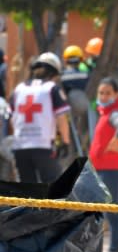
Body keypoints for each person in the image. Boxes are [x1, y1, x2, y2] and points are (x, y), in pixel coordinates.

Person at [9, 52, 71, 183]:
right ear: (54, 73)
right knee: (52, 188)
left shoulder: (18, 89)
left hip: (20, 147)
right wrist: (65, 142)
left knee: (26, 191)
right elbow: (61, 118)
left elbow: (12, 118)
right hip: (43, 146)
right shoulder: (52, 88)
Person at [89, 77, 118, 252]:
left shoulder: (114, 113)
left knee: (112, 213)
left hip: (111, 171)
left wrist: (114, 143)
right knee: (105, 212)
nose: (104, 96)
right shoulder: (105, 112)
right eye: (101, 93)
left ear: (116, 95)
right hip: (103, 169)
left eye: (108, 93)